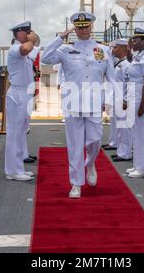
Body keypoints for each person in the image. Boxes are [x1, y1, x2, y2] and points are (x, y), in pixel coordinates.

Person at [41, 11, 121, 199]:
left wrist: (110, 101)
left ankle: (90, 163)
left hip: (94, 103)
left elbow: (111, 78)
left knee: (95, 140)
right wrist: (60, 38)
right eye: (79, 27)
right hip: (73, 103)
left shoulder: (103, 50)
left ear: (91, 27)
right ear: (74, 29)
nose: (83, 30)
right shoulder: (65, 50)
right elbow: (45, 58)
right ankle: (76, 183)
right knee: (75, 144)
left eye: (86, 26)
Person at [4, 21, 37, 181]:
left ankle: (18, 168)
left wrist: (34, 41)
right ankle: (13, 171)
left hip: (25, 93)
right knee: (14, 134)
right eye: (27, 32)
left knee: (20, 132)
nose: (30, 34)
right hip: (17, 93)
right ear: (19, 33)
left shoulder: (26, 49)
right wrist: (32, 40)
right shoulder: (15, 48)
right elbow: (26, 49)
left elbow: (33, 50)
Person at [123, 29, 144, 178]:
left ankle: (142, 168)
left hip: (142, 93)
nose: (133, 42)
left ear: (143, 41)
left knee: (141, 131)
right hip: (134, 92)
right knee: (136, 130)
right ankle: (139, 164)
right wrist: (129, 47)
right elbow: (130, 63)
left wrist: (142, 105)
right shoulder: (138, 56)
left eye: (135, 39)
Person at [110, 39, 133, 163]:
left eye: (116, 48)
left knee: (125, 127)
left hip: (123, 101)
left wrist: (125, 100)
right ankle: (121, 151)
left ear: (124, 49)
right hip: (118, 99)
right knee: (120, 128)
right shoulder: (119, 64)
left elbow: (129, 84)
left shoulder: (126, 65)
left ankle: (126, 153)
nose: (113, 50)